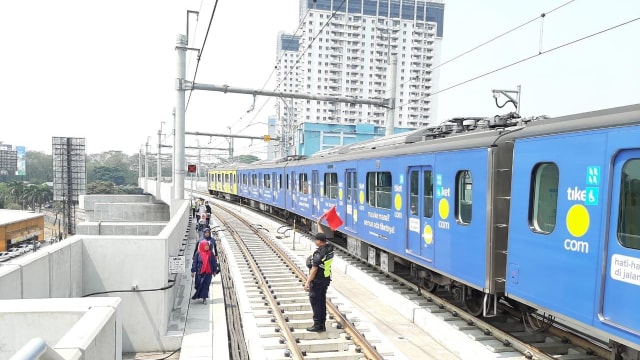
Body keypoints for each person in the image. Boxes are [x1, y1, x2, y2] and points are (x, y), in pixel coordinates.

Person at [304, 219, 335, 332]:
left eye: (316, 240)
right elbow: (323, 236)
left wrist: (307, 282)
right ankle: (322, 323)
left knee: (315, 301)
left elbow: (314, 270)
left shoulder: (318, 254)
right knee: (321, 301)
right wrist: (318, 224)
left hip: (317, 281)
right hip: (326, 279)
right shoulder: (329, 248)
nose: (314, 242)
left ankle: (318, 325)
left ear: (319, 242)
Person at [191, 239, 218, 305]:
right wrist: (193, 271)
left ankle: (204, 298)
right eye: (205, 246)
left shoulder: (210, 253)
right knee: (199, 284)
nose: (207, 247)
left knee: (206, 285)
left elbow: (213, 262)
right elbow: (195, 262)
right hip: (199, 272)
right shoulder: (198, 253)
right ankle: (199, 294)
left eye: (208, 246)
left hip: (208, 272)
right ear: (202, 246)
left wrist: (215, 270)